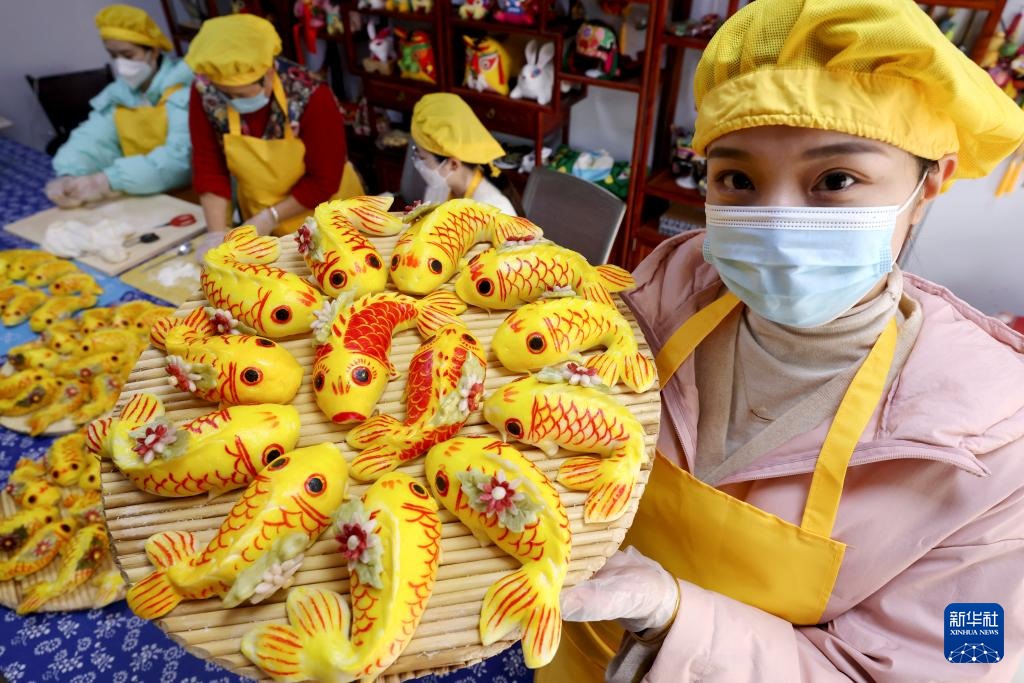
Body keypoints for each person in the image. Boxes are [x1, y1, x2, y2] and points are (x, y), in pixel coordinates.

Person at [544, 0, 1024, 680]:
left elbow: (953, 664)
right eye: (738, 180)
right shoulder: (664, 291)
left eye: (835, 180)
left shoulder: (994, 454)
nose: (775, 221)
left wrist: (677, 619)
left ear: (929, 185)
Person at [185, 13, 357, 257]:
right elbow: (208, 164)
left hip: (328, 215)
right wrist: (215, 234)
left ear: (268, 71)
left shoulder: (310, 94)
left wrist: (270, 217)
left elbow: (324, 180)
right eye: (226, 94)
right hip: (260, 221)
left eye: (241, 95)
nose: (232, 102)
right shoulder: (206, 90)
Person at [45, 4, 193, 207]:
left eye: (128, 55)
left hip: (189, 200)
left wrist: (107, 180)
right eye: (113, 56)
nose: (120, 63)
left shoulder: (183, 90)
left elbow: (179, 161)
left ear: (154, 50)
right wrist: (69, 173)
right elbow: (93, 139)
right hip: (144, 196)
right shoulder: (119, 94)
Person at [410, 93, 520, 216]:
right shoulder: (439, 188)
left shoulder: (494, 210)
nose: (417, 162)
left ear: (453, 164)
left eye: (422, 158)